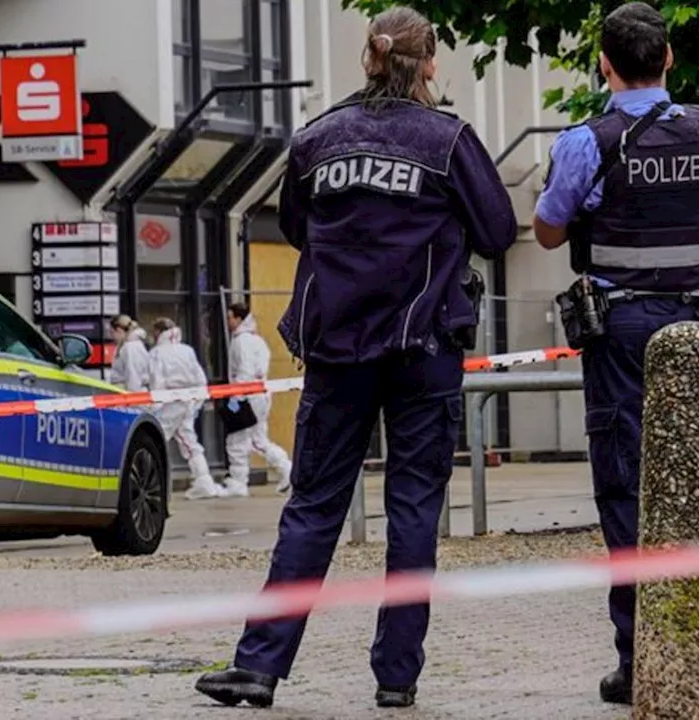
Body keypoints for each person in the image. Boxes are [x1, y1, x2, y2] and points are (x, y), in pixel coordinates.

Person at [194, 5, 516, 710]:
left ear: (368, 59)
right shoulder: (449, 139)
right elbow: (498, 229)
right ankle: (396, 677)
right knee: (413, 508)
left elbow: (298, 225)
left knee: (312, 506)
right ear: (428, 63)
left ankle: (259, 667)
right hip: (423, 347)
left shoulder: (317, 137)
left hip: (337, 350)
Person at [531, 2, 699, 706]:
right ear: (669, 58)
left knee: (626, 486)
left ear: (604, 64)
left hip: (623, 333)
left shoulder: (585, 141)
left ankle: (640, 659)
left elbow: (545, 231)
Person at [148, 317, 226, 500]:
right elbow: (199, 377)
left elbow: (156, 381)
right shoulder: (187, 350)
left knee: (155, 439)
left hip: (169, 401)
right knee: (189, 442)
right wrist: (197, 401)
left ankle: (153, 481)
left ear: (159, 333)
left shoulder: (157, 353)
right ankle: (204, 481)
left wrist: (153, 405)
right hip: (188, 399)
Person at [224, 303, 293, 496]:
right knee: (258, 438)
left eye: (230, 317)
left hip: (248, 394)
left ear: (238, 318)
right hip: (260, 393)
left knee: (239, 440)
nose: (228, 321)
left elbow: (244, 370)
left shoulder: (241, 341)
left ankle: (238, 482)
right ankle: (286, 468)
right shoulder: (257, 340)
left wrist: (236, 396)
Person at [108, 314, 150, 392]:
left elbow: (133, 375)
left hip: (133, 396)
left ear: (118, 330)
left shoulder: (131, 347)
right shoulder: (128, 345)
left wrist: (132, 399)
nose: (112, 336)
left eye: (112, 332)